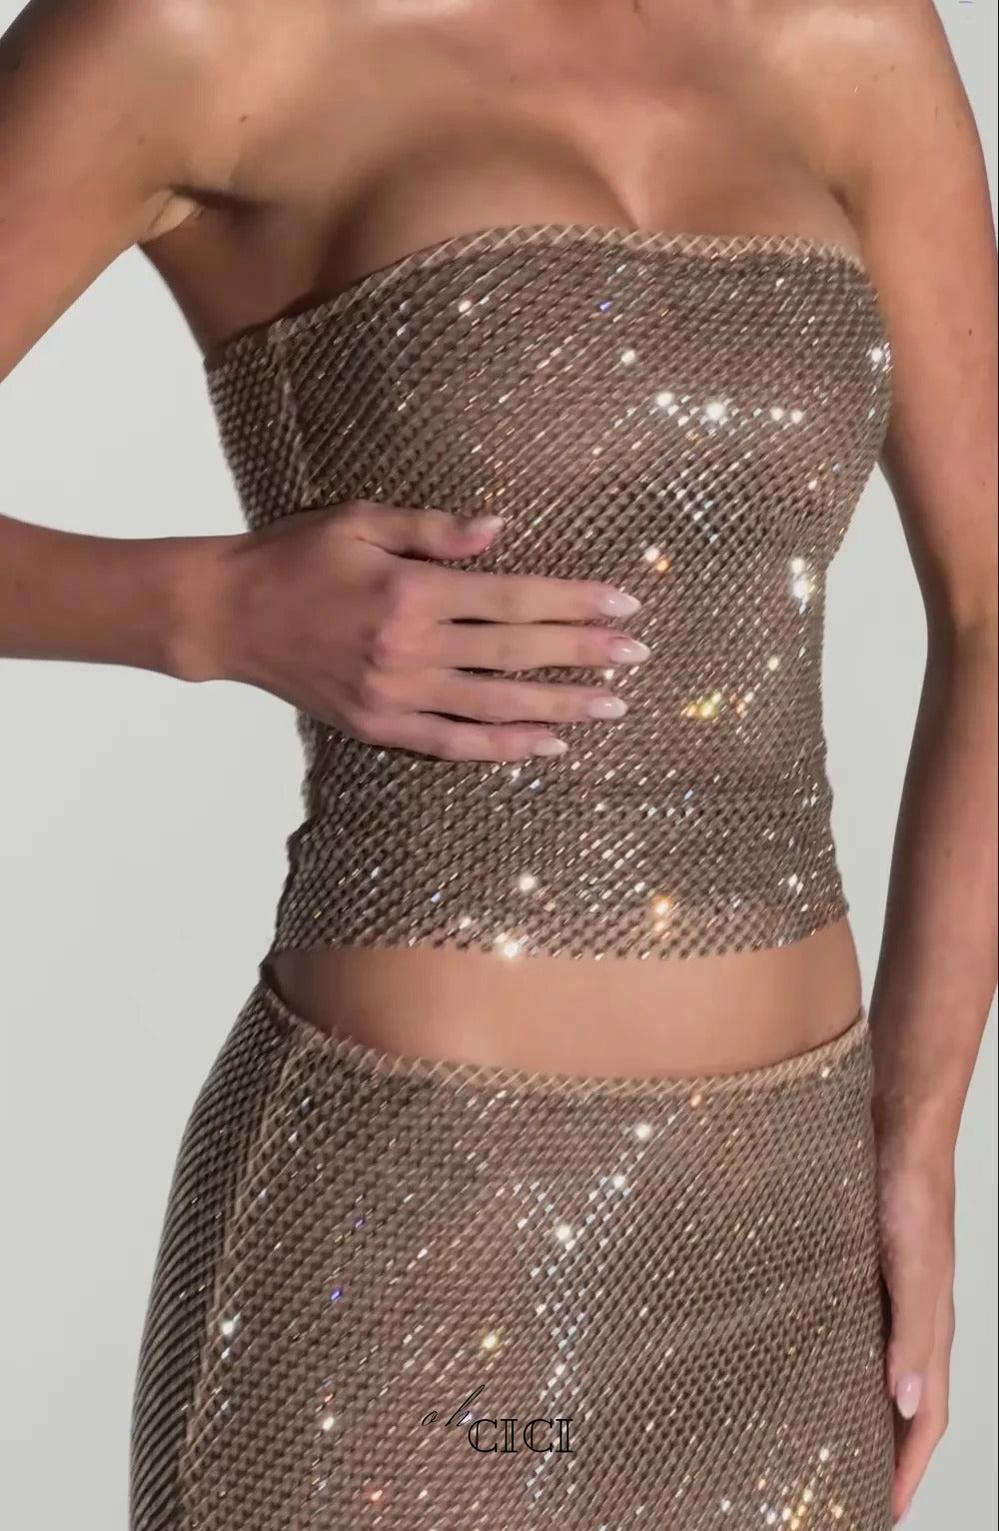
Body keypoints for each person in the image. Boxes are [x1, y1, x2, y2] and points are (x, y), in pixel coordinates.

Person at [2, 1, 995, 1527]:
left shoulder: (849, 35)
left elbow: (991, 614)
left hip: (791, 1248)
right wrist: (208, 609)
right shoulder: (197, 32)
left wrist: (917, 1149)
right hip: (404, 1252)